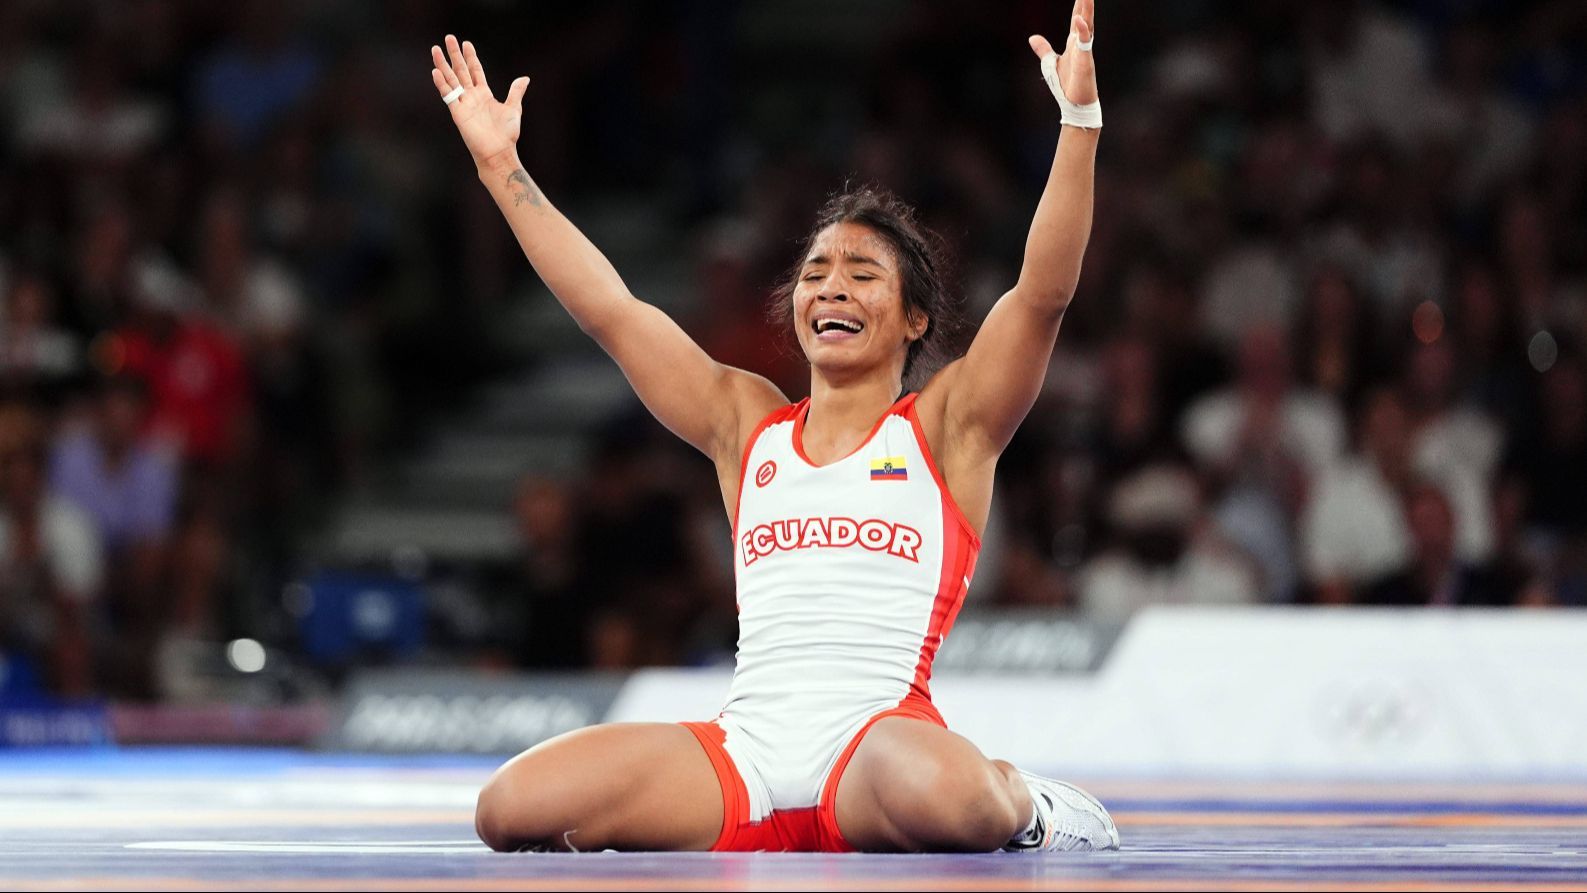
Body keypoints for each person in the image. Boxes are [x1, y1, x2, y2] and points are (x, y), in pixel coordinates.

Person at [433, 0, 1117, 854]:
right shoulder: (744, 422)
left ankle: (1036, 804)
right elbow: (610, 310)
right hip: (744, 757)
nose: (830, 287)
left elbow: (1043, 296)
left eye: (862, 272)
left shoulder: (948, 424)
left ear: (912, 320)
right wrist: (502, 166)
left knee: (962, 802)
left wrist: (1078, 123)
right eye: (815, 271)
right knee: (507, 808)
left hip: (876, 754)